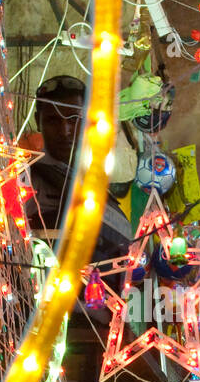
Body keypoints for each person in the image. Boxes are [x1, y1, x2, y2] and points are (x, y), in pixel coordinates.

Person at [25, 75, 131, 258]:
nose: (64, 131)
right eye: (53, 120)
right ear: (37, 121)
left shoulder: (93, 177)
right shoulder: (27, 181)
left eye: (74, 120)